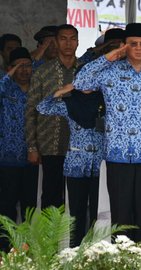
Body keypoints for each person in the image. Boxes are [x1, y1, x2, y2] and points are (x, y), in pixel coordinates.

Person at [73, 23, 141, 248]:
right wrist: (109, 57)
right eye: (132, 44)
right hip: (118, 155)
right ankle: (122, 262)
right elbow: (80, 82)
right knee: (120, 217)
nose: (138, 48)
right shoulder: (110, 72)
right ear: (124, 46)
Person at [36, 83, 104, 247]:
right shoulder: (69, 103)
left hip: (101, 165)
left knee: (99, 211)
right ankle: (75, 250)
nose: (88, 84)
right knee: (76, 212)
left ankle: (97, 251)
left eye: (92, 80)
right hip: (76, 165)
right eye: (84, 79)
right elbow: (42, 107)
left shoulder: (106, 102)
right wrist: (60, 91)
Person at [25, 24, 79, 209]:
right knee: (51, 196)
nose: (68, 43)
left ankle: (77, 238)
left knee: (78, 198)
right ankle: (49, 239)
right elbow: (32, 109)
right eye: (63, 38)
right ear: (55, 42)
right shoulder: (42, 72)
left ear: (78, 42)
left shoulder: (86, 72)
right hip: (50, 144)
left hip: (81, 147)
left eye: (72, 38)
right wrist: (32, 146)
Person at [0, 48, 38, 252]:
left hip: (32, 159)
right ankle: (4, 249)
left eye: (27, 65)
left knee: (29, 208)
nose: (24, 70)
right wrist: (8, 76)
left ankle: (26, 249)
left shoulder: (36, 90)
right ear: (9, 69)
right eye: (18, 66)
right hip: (7, 159)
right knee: (6, 206)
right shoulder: (6, 90)